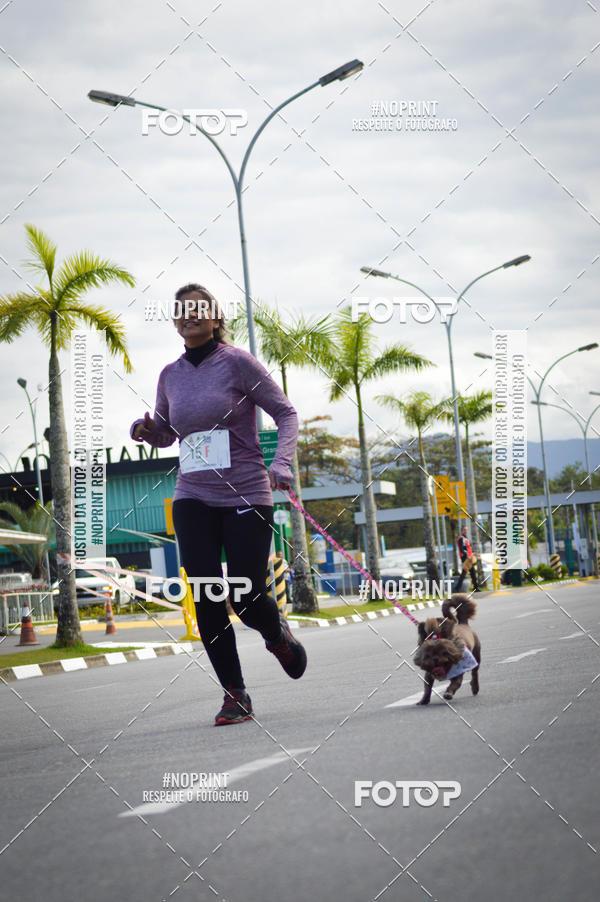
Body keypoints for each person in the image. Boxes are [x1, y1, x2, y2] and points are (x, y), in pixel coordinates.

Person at [130, 283, 307, 725]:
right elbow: (170, 433)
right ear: (174, 320)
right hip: (193, 494)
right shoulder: (169, 374)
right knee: (207, 593)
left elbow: (286, 413)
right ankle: (235, 694)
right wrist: (149, 433)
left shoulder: (238, 363)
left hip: (246, 490)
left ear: (214, 317)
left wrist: (281, 463)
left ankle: (275, 632)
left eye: (198, 310)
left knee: (246, 594)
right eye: (181, 311)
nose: (189, 316)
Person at [453, 524, 480, 593]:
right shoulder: (461, 538)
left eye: (467, 530)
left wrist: (474, 555)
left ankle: (475, 587)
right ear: (462, 531)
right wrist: (467, 555)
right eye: (464, 530)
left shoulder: (466, 538)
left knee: (471, 572)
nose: (466, 531)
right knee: (466, 573)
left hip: (469, 558)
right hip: (465, 558)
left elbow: (469, 548)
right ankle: (457, 588)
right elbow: (462, 549)